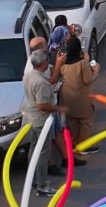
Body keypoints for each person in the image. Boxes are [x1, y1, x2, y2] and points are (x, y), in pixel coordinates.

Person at [23, 49, 67, 196]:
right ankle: (42, 185)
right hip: (42, 121)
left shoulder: (29, 75)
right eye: (47, 61)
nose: (48, 63)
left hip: (33, 120)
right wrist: (57, 108)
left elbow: (50, 81)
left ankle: (33, 179)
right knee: (43, 153)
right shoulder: (41, 82)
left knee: (33, 150)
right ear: (42, 63)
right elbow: (42, 105)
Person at [59, 37, 99, 149]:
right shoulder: (82, 64)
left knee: (72, 122)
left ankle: (73, 144)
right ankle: (84, 146)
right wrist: (96, 71)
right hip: (82, 99)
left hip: (68, 98)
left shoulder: (63, 62)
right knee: (86, 122)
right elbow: (87, 80)